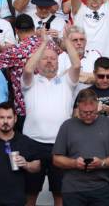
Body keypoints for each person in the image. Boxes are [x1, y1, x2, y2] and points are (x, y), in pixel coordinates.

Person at [22, 32, 81, 206]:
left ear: (58, 62)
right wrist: (43, 43)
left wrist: (66, 41)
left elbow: (76, 64)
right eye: (45, 58)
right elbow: (27, 68)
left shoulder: (67, 82)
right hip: (32, 143)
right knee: (30, 194)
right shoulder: (29, 82)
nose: (49, 61)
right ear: (38, 61)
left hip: (60, 145)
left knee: (60, 195)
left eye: (53, 59)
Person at [52, 88, 109, 206]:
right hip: (73, 189)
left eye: (92, 111)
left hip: (101, 187)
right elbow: (56, 159)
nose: (88, 115)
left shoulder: (108, 124)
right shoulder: (67, 126)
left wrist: (102, 163)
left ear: (97, 106)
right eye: (84, 112)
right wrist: (74, 163)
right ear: (78, 107)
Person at [79, 57, 109, 206]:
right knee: (90, 195)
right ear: (94, 74)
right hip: (91, 149)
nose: (105, 79)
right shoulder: (85, 93)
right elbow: (75, 118)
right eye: (101, 76)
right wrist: (94, 112)